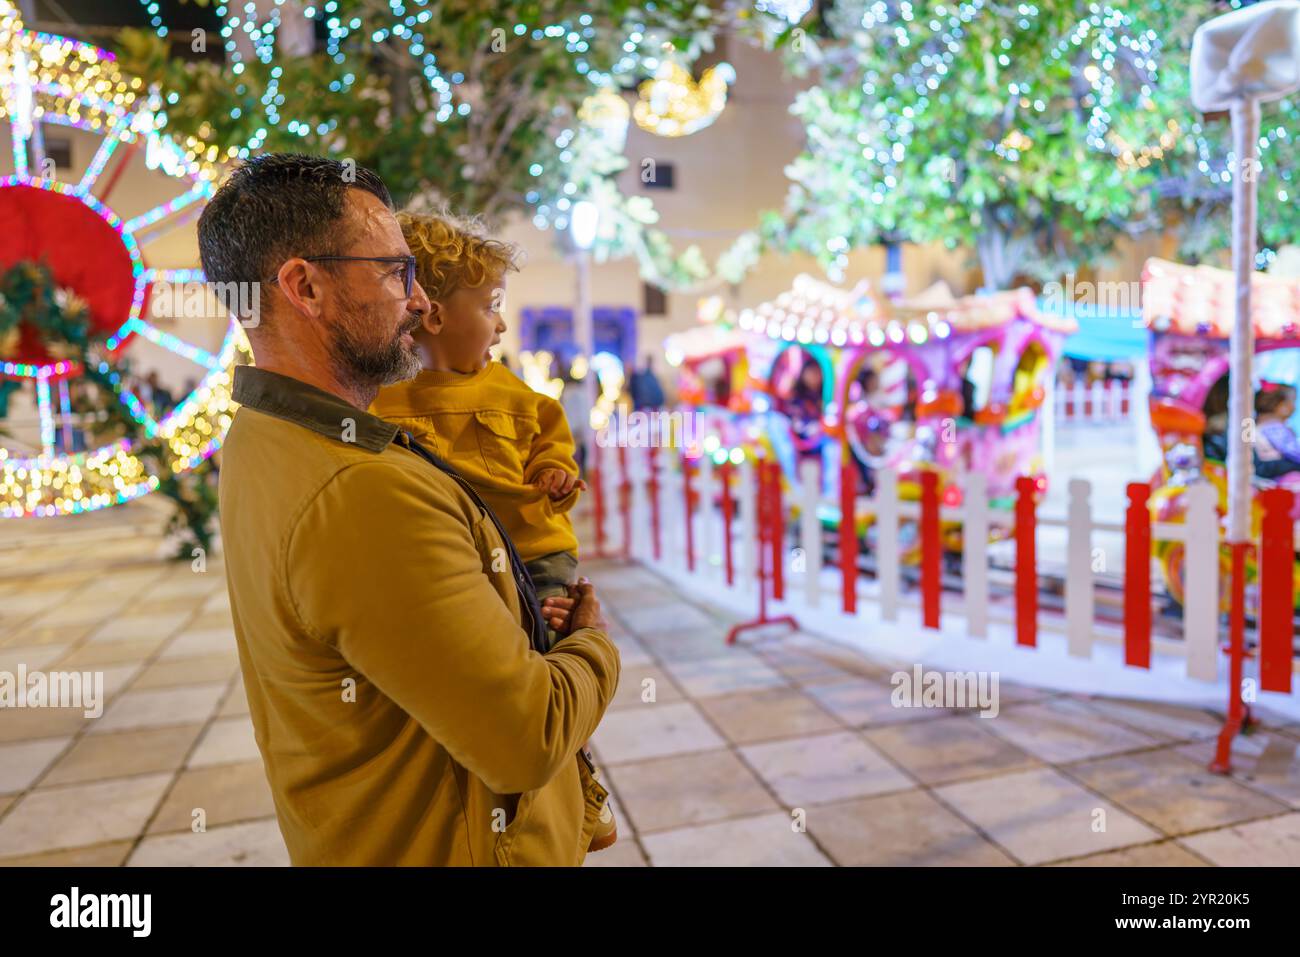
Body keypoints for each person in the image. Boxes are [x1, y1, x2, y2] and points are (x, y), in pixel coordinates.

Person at [197, 153, 619, 866]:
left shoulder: (263, 435)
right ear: (306, 286)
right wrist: (594, 642)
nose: (421, 303)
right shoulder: (360, 491)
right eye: (397, 272)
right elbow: (528, 737)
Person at [368, 210, 617, 851]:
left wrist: (557, 472)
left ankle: (581, 783)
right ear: (432, 315)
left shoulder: (518, 393)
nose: (502, 324)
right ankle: (524, 802)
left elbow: (551, 445)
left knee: (557, 675)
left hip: (538, 556)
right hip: (467, 564)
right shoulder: (387, 403)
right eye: (492, 305)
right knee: (501, 689)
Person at [1253, 382, 1300, 478]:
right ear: (1282, 407)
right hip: (1280, 479)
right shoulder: (1275, 428)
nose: (1295, 407)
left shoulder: (1260, 425)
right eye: (1293, 401)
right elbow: (1293, 451)